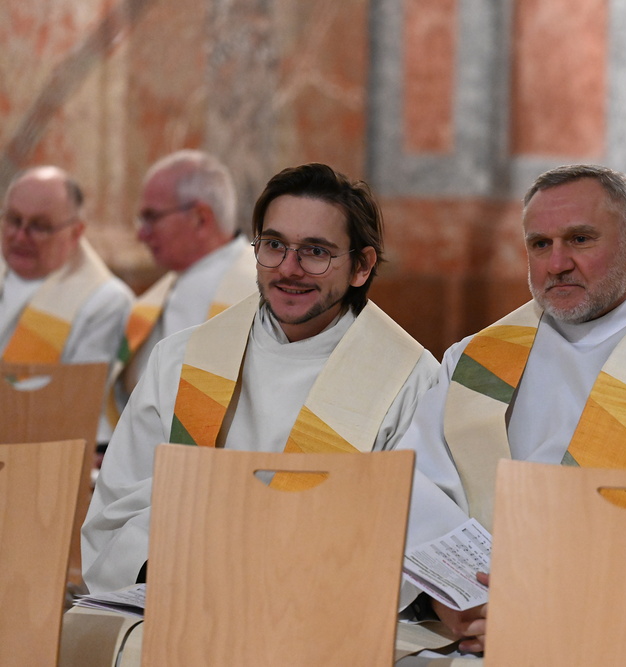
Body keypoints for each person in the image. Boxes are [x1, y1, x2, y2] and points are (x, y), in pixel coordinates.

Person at [398, 164, 626, 654]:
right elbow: (416, 484)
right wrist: (451, 597)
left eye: (579, 239)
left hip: (598, 634)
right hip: (466, 626)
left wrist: (543, 610)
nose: (556, 263)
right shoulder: (475, 357)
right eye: (540, 244)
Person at [82, 163, 449, 594]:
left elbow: (418, 535)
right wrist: (185, 575)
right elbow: (118, 509)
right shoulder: (182, 361)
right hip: (180, 594)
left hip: (324, 606)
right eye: (274, 245)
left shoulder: (408, 379)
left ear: (361, 266)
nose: (288, 269)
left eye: (315, 252)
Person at [109, 150, 257, 421]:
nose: (141, 234)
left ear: (201, 218)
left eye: (152, 217)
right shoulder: (161, 293)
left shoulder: (262, 288)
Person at [0, 166, 133, 367]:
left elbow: (82, 385)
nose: (20, 237)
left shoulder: (106, 302)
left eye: (39, 226)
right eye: (14, 220)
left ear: (75, 232)